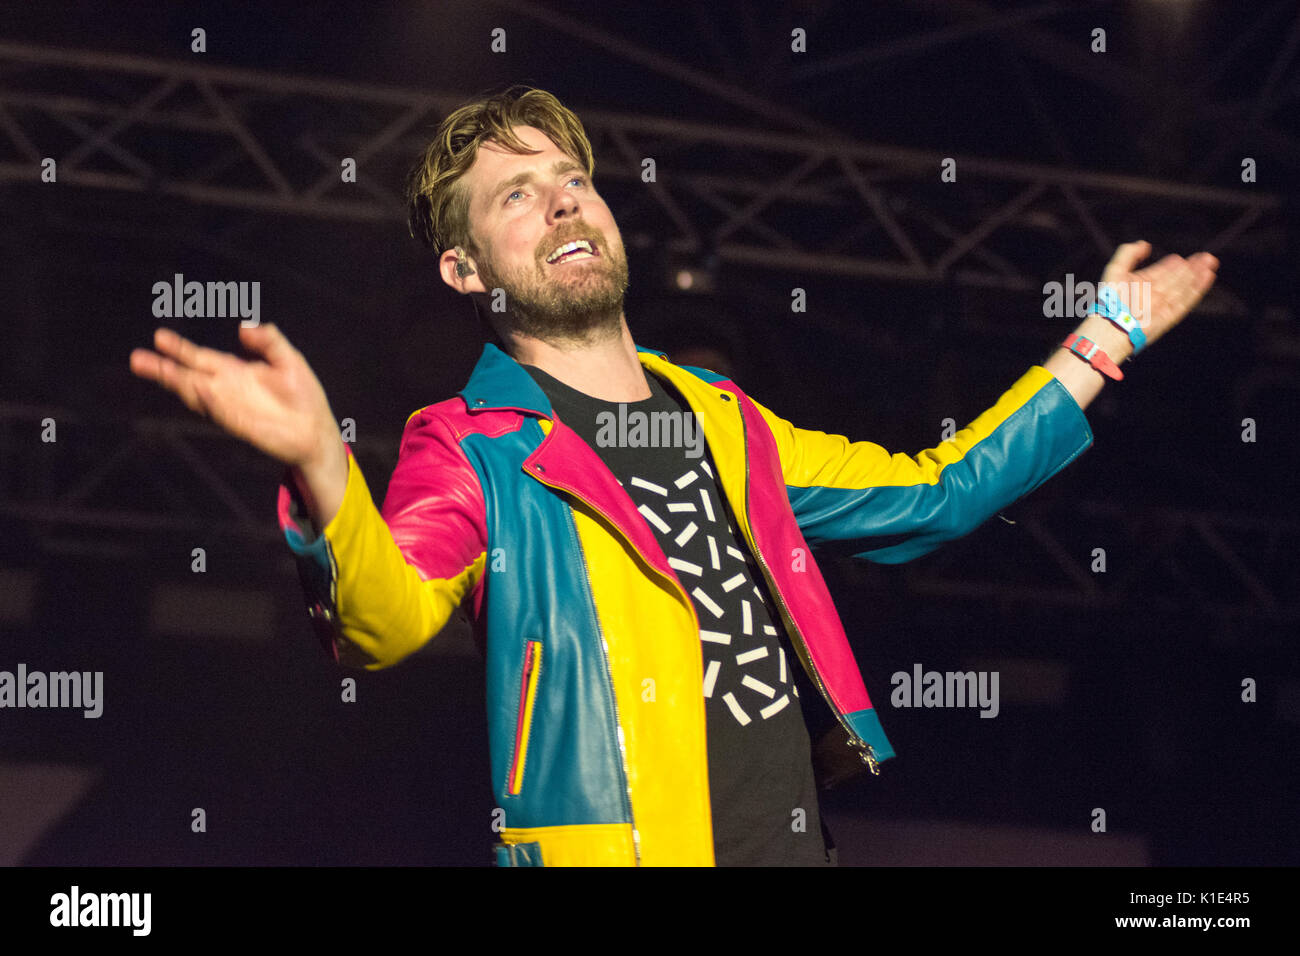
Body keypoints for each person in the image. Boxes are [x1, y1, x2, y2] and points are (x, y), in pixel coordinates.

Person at [129, 86, 1219, 867]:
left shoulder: (717, 416)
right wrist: (324, 465)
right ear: (463, 269)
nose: (563, 202)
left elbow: (933, 495)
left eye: (571, 180)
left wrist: (1098, 340)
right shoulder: (472, 443)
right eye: (516, 195)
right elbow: (387, 617)